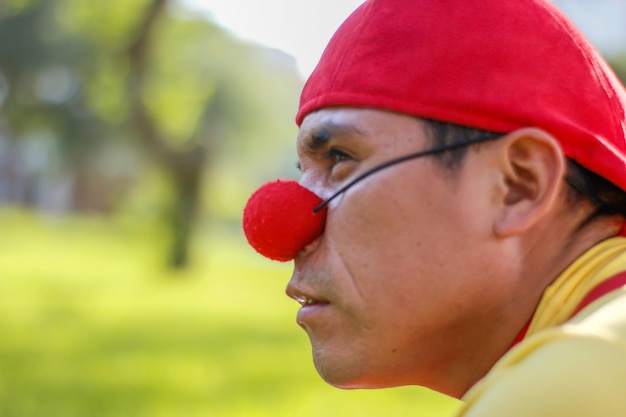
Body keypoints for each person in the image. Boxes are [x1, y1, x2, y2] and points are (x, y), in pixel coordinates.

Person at [242, 0, 626, 415]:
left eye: (339, 158)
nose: (286, 234)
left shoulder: (562, 392)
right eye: (304, 170)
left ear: (517, 186)